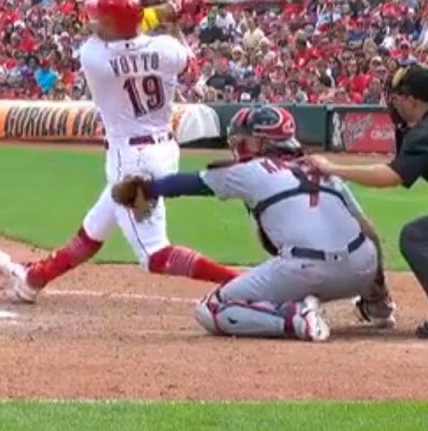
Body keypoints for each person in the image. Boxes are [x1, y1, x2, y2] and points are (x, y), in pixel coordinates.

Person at [0, 0, 237, 303]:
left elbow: (128, 28)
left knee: (154, 254)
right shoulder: (166, 49)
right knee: (95, 227)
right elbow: (182, 59)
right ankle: (33, 279)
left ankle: (243, 281)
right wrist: (177, 16)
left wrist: (170, 8)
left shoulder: (95, 57)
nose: (93, 22)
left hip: (130, 160)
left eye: (100, 17)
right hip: (163, 150)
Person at [112, 105, 393, 341]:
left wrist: (145, 190)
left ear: (261, 142)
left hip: (308, 270)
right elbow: (368, 230)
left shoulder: (249, 170)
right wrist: (377, 291)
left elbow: (187, 183)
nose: (238, 146)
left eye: (244, 140)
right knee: (349, 245)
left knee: (212, 310)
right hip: (362, 269)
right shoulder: (324, 170)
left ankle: (295, 320)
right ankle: (378, 307)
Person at [306, 65, 428, 338]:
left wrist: (334, 169)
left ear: (412, 100)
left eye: (396, 97)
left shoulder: (423, 133)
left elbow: (390, 175)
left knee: (416, 237)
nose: (392, 103)